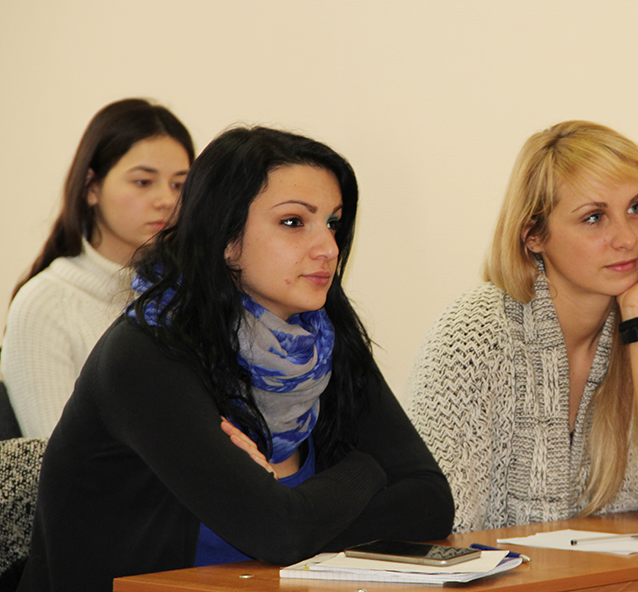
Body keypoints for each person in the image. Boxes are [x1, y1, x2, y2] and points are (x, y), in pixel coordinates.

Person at [18, 127, 454, 591]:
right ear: (226, 238)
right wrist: (367, 470)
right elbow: (280, 532)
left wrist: (303, 514)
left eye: (333, 223)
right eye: (294, 222)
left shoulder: (322, 343)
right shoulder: (145, 354)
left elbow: (431, 502)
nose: (328, 247)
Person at [406, 120, 638, 533]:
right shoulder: (474, 335)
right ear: (534, 235)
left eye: (636, 208)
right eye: (594, 217)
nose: (628, 239)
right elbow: (439, 528)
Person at [2, 98, 194, 438]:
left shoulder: (186, 294)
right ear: (92, 187)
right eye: (143, 182)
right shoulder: (46, 304)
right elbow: (55, 456)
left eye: (179, 184)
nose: (167, 200)